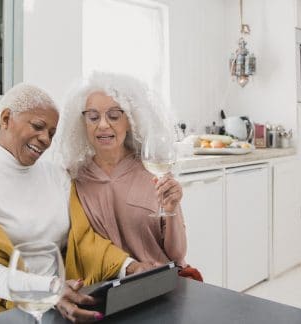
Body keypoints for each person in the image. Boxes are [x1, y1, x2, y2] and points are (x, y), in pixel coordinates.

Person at [0, 83, 149, 324]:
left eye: (51, 133)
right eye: (38, 126)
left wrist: (129, 266)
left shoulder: (56, 175)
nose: (45, 139)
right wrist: (47, 289)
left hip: (51, 305)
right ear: (6, 118)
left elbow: (83, 239)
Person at [56, 72, 200, 280]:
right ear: (83, 122)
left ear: (131, 121)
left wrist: (173, 209)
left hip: (158, 285)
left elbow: (177, 254)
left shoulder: (154, 172)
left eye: (114, 116)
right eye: (93, 117)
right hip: (103, 292)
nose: (103, 125)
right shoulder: (75, 179)